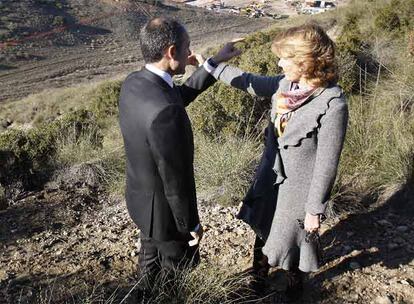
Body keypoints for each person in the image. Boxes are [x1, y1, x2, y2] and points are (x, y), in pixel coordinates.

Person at [212, 23, 348, 299]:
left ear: (304, 61)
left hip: (299, 190)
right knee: (263, 227)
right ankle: (258, 281)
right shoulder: (285, 85)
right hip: (270, 176)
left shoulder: (333, 103)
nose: (279, 62)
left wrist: (314, 208)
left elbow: (327, 161)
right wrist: (210, 65)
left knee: (294, 243)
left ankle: (294, 291)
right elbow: (250, 82)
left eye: (285, 57)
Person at [118, 17, 240, 291]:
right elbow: (175, 179)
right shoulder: (165, 112)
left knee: (149, 264)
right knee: (177, 277)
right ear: (171, 52)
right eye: (187, 47)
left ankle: (143, 295)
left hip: (142, 202)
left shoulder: (135, 82)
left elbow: (177, 95)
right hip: (167, 215)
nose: (190, 52)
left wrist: (214, 61)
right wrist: (190, 224)